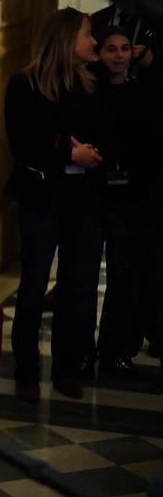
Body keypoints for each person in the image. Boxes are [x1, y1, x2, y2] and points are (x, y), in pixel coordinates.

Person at [5, 8, 103, 401]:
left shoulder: (91, 83)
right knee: (33, 285)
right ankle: (26, 370)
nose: (93, 41)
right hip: (41, 197)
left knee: (76, 285)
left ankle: (66, 366)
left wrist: (92, 153)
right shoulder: (23, 85)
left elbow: (104, 131)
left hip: (83, 199)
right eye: (87, 34)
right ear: (66, 39)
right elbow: (23, 144)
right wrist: (67, 153)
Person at [93, 27, 158, 375]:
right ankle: (84, 351)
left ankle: (117, 347)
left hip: (131, 195)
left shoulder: (142, 93)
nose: (118, 55)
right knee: (88, 278)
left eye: (123, 49)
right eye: (110, 49)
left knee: (125, 276)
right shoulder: (91, 92)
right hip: (96, 192)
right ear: (99, 54)